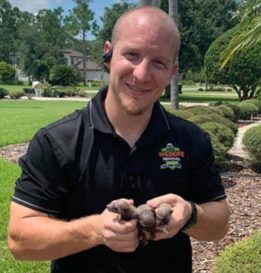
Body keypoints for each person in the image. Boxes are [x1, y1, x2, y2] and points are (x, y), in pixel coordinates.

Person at [8, 6, 229, 273]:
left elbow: (220, 223)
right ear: (108, 54)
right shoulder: (56, 141)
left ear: (173, 72)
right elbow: (20, 240)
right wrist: (96, 231)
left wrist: (190, 214)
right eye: (132, 55)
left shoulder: (191, 140)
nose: (141, 74)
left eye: (158, 62)